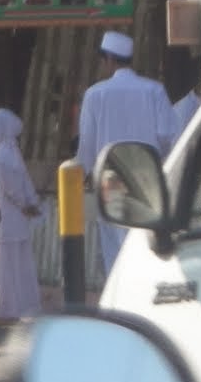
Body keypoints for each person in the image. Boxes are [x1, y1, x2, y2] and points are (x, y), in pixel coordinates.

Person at [75, 29, 180, 276]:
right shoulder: (153, 90)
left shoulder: (95, 94)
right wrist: (157, 161)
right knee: (146, 242)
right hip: (147, 177)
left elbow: (87, 145)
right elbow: (169, 135)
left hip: (109, 179)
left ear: (109, 60)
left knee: (115, 249)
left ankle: (119, 304)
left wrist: (83, 175)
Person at [0, 108, 44, 323]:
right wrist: (30, 204)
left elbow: (10, 189)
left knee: (3, 261)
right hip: (15, 216)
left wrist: (23, 204)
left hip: (6, 215)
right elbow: (24, 184)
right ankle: (19, 302)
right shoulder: (13, 153)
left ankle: (5, 305)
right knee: (16, 261)